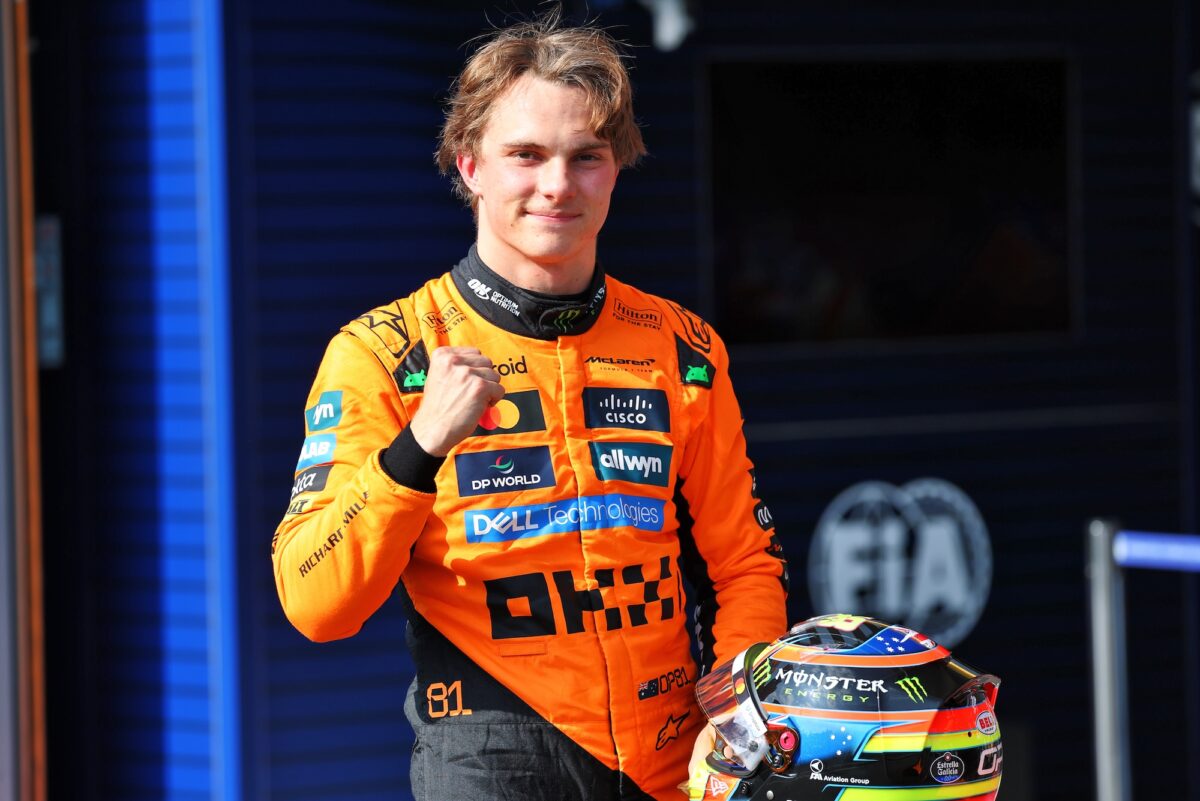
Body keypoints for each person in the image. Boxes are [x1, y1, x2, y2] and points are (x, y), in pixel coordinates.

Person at [271, 10, 788, 801]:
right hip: (490, 758)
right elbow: (315, 603)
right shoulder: (382, 351)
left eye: (587, 156)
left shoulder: (680, 345)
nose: (557, 184)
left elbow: (744, 563)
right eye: (526, 155)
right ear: (469, 165)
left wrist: (738, 710)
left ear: (616, 170)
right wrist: (419, 445)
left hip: (674, 761)